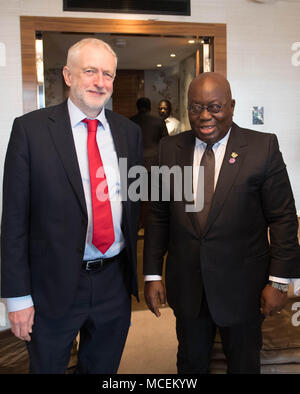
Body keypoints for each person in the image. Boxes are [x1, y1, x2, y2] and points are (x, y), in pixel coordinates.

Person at [1, 38, 142, 374]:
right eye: (90, 71)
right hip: (52, 285)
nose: (100, 82)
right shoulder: (30, 131)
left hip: (113, 281)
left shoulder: (129, 132)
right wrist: (17, 298)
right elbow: (14, 222)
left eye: (108, 74)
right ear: (67, 75)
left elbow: (133, 203)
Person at [143, 72, 300, 374]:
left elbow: (282, 217)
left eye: (214, 107)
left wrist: (279, 281)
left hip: (244, 289)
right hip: (187, 286)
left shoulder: (262, 148)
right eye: (195, 107)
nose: (204, 116)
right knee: (190, 363)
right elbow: (158, 215)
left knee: (243, 365)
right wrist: (152, 274)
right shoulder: (168, 149)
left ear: (231, 106)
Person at [131, 98, 168, 229]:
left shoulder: (130, 122)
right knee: (155, 198)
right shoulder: (159, 122)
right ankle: (153, 225)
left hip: (135, 164)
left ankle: (139, 224)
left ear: (137, 107)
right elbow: (166, 143)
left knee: (137, 199)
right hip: (155, 164)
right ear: (150, 107)